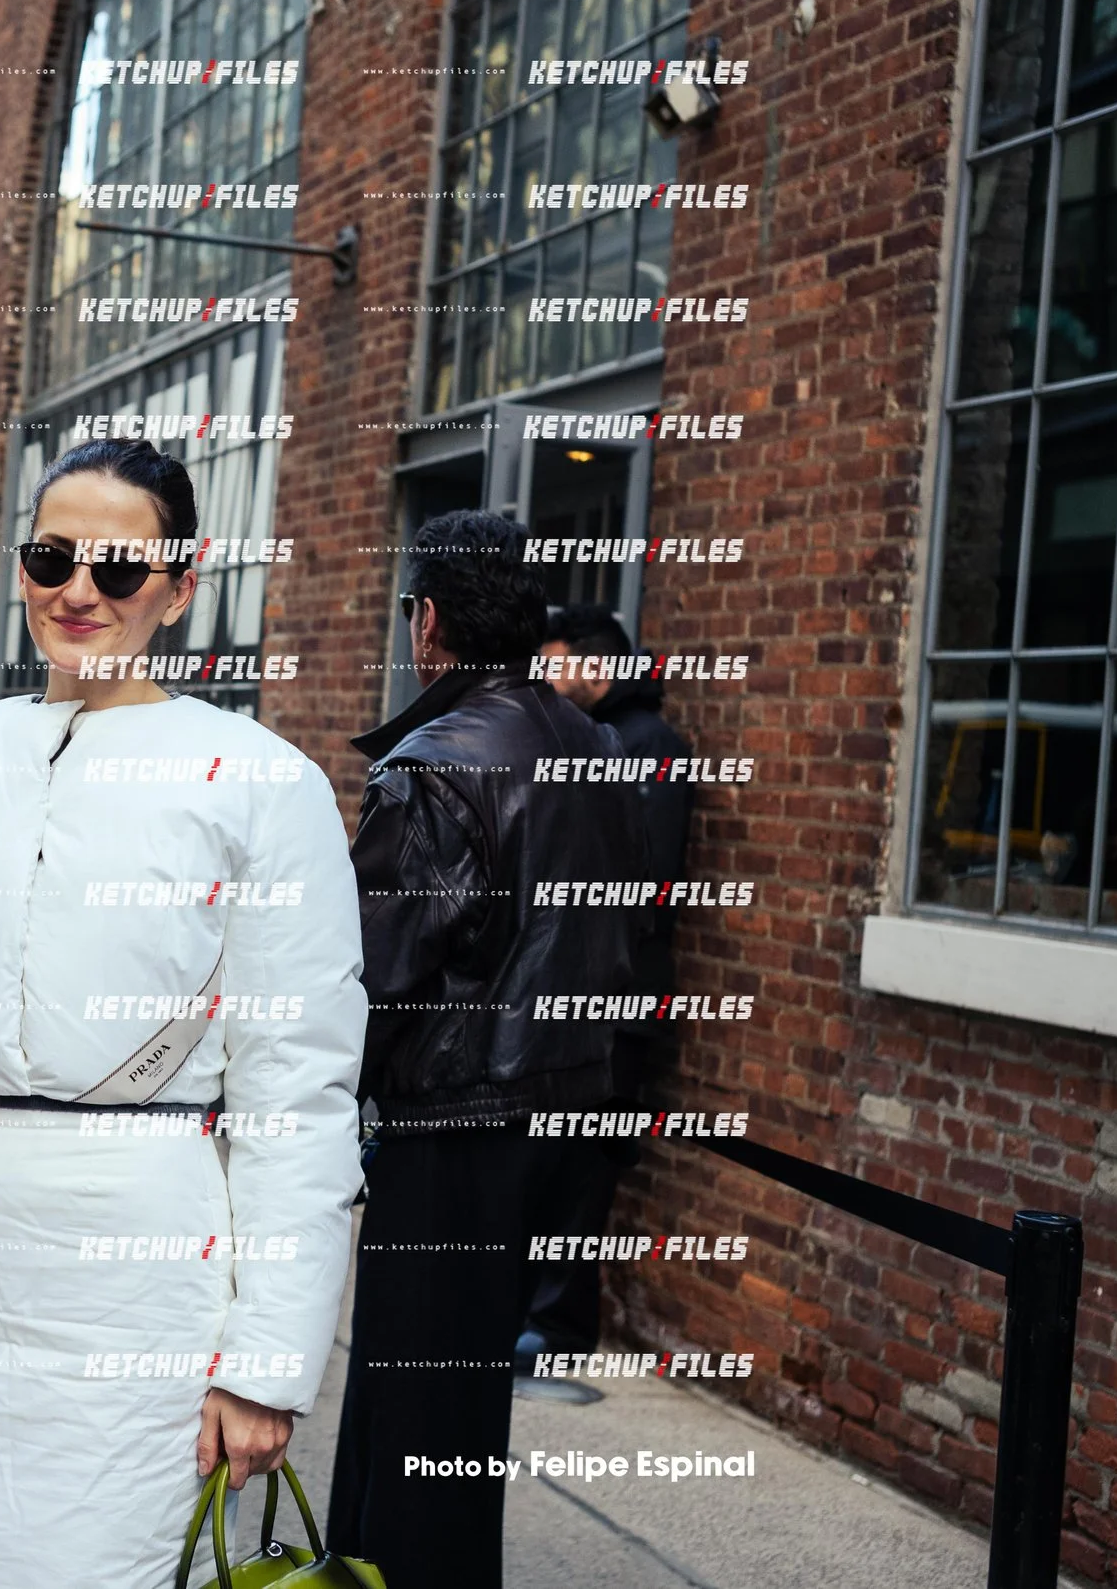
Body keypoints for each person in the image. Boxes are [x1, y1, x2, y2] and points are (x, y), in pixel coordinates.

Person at [0, 439, 367, 1585]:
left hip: (140, 1279)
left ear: (178, 585)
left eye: (120, 567)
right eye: (52, 555)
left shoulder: (261, 780)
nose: (80, 590)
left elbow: (294, 1090)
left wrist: (264, 1361)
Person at [324, 509, 647, 1585]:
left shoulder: (434, 763)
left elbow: (377, 977)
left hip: (454, 1125)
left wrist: (328, 1115)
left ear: (427, 621)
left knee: (416, 1408)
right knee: (450, 1409)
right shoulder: (593, 742)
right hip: (555, 1115)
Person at [522, 603, 694, 1361]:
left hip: (615, 1003)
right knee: (551, 1161)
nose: (545, 678)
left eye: (555, 662)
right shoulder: (596, 740)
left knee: (584, 1167)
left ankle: (558, 1330)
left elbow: (642, 888)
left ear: (596, 663)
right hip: (574, 995)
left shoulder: (651, 747)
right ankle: (533, 1317)